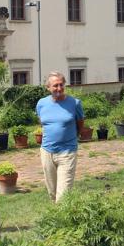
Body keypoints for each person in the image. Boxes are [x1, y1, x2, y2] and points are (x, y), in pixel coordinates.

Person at [36, 71, 84, 202]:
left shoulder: (74, 103)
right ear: (48, 88)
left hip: (67, 152)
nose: (59, 88)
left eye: (61, 85)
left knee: (63, 196)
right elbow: (42, 122)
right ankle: (58, 220)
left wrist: (72, 137)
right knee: (52, 193)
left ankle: (62, 219)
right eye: (55, 85)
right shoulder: (41, 104)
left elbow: (80, 124)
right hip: (47, 152)